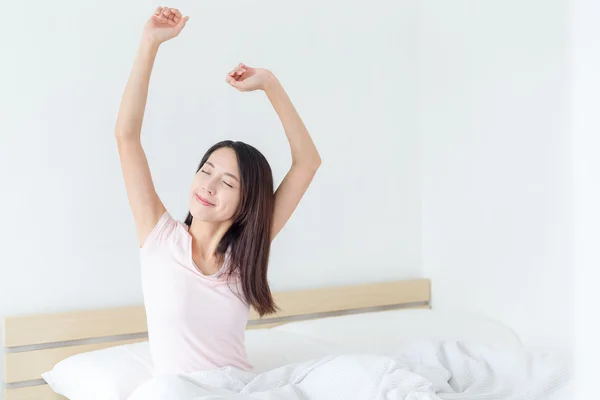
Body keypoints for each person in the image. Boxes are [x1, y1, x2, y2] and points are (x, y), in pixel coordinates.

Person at [114, 6, 321, 375]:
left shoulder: (245, 254)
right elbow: (126, 137)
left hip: (239, 389)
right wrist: (150, 44)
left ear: (246, 203)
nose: (208, 186)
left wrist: (270, 84)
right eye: (206, 171)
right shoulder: (159, 238)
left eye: (227, 182)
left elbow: (307, 163)